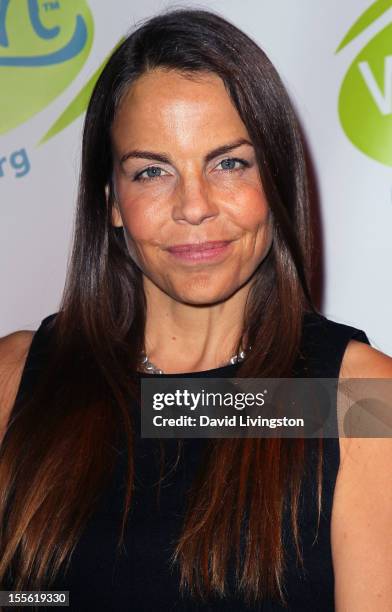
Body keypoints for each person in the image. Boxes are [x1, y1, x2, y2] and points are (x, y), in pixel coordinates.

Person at [0, 8, 391, 612]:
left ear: (277, 179)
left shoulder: (361, 400)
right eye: (152, 171)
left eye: (229, 162)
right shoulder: (17, 376)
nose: (193, 206)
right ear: (112, 202)